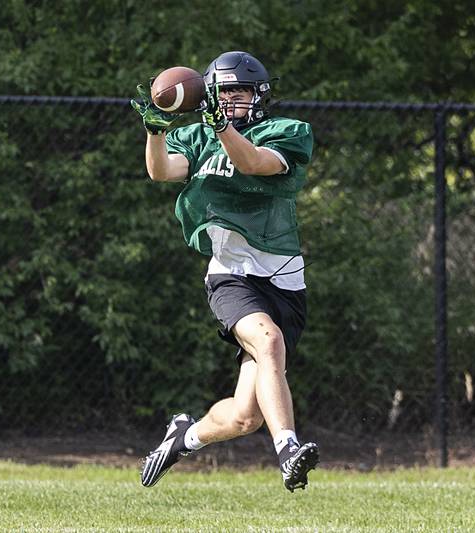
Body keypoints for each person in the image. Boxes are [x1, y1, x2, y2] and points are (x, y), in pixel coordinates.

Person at [130, 51, 318, 492]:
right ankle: (289, 450)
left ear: (259, 95)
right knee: (268, 340)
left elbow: (254, 162)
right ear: (211, 94)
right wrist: (155, 133)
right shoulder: (198, 137)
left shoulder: (287, 132)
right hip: (231, 275)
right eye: (226, 90)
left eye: (242, 91)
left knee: (243, 416)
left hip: (284, 281)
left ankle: (184, 437)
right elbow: (162, 172)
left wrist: (223, 128)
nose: (233, 99)